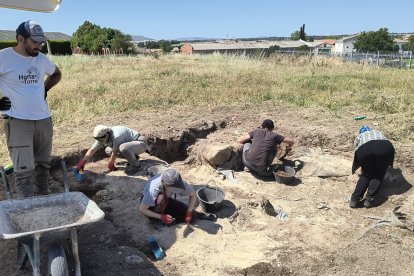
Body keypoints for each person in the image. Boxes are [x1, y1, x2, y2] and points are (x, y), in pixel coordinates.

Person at [0, 20, 62, 198]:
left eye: (41, 42)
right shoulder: (4, 57)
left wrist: (45, 88)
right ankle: (26, 207)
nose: (40, 46)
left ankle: (43, 198)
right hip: (18, 121)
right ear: (21, 38)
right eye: (35, 42)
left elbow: (56, 74)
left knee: (43, 164)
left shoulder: (41, 59)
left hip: (43, 120)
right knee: (24, 169)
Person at [349, 125, 395, 208]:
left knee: (367, 175)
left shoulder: (359, 136)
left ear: (361, 132)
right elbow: (384, 142)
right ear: (371, 130)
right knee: (378, 175)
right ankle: (369, 200)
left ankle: (354, 200)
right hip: (385, 148)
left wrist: (364, 168)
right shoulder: (378, 132)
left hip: (365, 150)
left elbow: (357, 152)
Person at [76, 125, 149, 175]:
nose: (98, 141)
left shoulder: (116, 136)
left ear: (106, 135)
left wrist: (111, 163)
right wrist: (83, 162)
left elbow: (115, 152)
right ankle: (134, 158)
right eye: (96, 139)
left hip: (140, 143)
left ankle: (136, 166)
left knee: (123, 148)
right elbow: (92, 149)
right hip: (131, 146)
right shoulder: (101, 137)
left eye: (100, 139)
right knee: (108, 150)